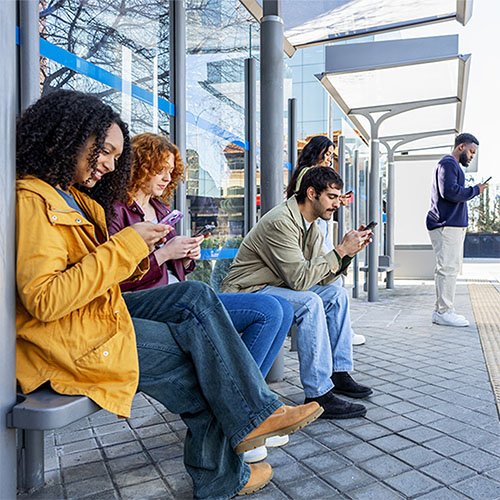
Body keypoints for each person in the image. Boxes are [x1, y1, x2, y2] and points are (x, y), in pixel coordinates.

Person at [15, 89, 323, 499]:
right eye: (103, 152)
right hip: (69, 338)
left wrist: (148, 253)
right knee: (202, 361)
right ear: (66, 137)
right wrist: (132, 246)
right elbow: (46, 299)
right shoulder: (34, 200)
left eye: (114, 156)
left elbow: (99, 275)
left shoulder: (73, 197)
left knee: (195, 296)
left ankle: (254, 416)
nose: (109, 165)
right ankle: (225, 469)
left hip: (94, 316)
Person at [108, 132, 294, 463]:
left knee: (276, 309)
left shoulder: (160, 207)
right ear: (141, 166)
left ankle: (244, 413)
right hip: (144, 303)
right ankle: (246, 418)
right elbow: (114, 275)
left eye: (171, 170)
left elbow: (178, 269)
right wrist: (163, 256)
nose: (168, 177)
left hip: (174, 295)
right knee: (227, 300)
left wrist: (186, 253)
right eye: (160, 168)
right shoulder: (117, 209)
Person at [222, 166, 374, 419]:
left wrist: (347, 254)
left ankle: (338, 372)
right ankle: (318, 393)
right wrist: (339, 251)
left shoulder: (311, 226)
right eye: (332, 197)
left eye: (339, 197)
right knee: (309, 302)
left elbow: (321, 276)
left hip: (275, 287)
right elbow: (300, 279)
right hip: (246, 291)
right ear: (312, 193)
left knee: (336, 295)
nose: (337, 204)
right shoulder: (281, 221)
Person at [287, 135, 366, 346]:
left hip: (319, 229)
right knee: (333, 279)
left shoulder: (304, 173)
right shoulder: (308, 175)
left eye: (332, 154)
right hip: (315, 230)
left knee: (334, 280)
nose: (329, 158)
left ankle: (340, 334)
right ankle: (341, 333)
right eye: (327, 153)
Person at [426, 133, 488, 327]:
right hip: (446, 224)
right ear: (460, 147)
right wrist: (475, 190)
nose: (471, 156)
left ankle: (443, 310)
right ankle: (444, 312)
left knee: (449, 268)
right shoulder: (448, 164)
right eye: (471, 151)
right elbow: (450, 192)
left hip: (451, 224)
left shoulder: (453, 166)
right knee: (448, 269)